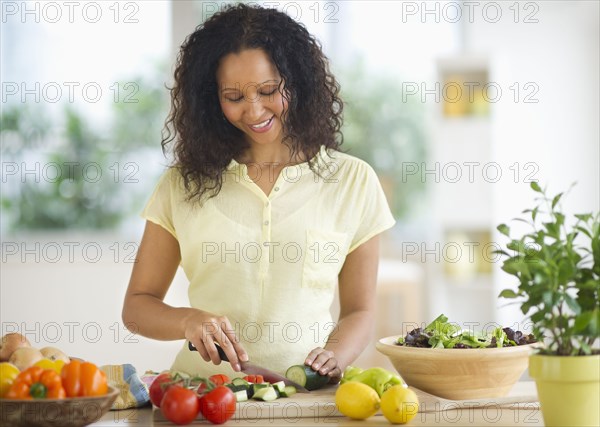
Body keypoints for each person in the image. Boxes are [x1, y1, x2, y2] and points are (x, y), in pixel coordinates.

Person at [122, 3, 395, 382]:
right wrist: (189, 320)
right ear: (211, 99)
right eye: (233, 97)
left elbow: (360, 311)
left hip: (304, 402)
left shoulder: (352, 181)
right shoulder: (183, 183)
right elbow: (137, 307)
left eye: (268, 90)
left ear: (297, 83)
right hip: (201, 398)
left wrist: (335, 356)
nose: (253, 110)